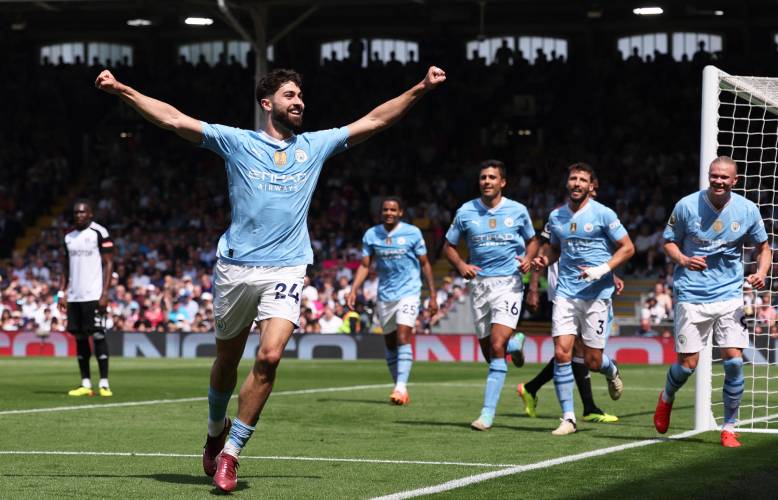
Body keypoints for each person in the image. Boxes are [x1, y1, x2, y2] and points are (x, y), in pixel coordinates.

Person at [96, 64, 446, 492]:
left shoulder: (315, 146)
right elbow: (173, 119)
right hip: (235, 268)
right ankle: (213, 431)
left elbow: (374, 120)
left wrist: (421, 89)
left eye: (300, 96)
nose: (299, 102)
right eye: (290, 95)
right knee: (226, 361)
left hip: (287, 267)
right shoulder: (236, 141)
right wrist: (121, 90)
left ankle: (232, 453)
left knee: (270, 357)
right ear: (268, 103)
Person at [653, 156, 771, 448]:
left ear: (735, 181)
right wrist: (683, 258)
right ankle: (666, 397)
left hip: (729, 295)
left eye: (724, 177)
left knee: (734, 362)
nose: (718, 181)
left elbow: (763, 247)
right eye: (714, 176)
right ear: (709, 176)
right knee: (687, 366)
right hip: (691, 295)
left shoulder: (746, 209)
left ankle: (728, 427)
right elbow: (668, 240)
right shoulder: (686, 206)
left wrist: (762, 272)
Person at [531, 162, 635, 435]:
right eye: (573, 178)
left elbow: (628, 248)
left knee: (591, 361)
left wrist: (602, 270)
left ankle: (611, 370)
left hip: (597, 295)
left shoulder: (603, 214)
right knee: (562, 352)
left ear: (591, 186)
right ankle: (568, 418)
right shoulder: (556, 217)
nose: (577, 183)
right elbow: (555, 249)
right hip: (566, 292)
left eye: (582, 180)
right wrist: (544, 259)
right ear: (568, 183)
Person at [443, 159, 538, 431]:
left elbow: (532, 240)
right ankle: (515, 344)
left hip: (508, 283)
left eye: (492, 177)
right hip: (480, 285)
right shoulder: (466, 211)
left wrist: (528, 260)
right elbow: (448, 246)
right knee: (490, 353)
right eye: (483, 177)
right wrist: (461, 265)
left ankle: (486, 414)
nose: (487, 181)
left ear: (502, 182)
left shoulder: (517, 211)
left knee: (496, 347)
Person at [347, 197, 439, 405]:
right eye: (385, 210)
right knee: (389, 343)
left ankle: (400, 387)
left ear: (400, 213)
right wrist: (353, 289)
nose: (388, 213)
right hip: (385, 295)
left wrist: (433, 294)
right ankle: (399, 385)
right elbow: (364, 265)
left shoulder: (413, 233)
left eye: (393, 210)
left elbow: (425, 264)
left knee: (403, 336)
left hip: (409, 291)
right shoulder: (372, 234)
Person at [58, 200, 115, 397]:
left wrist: (105, 293)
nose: (79, 215)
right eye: (76, 213)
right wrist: (61, 292)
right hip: (75, 295)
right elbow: (65, 267)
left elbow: (109, 264)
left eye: (83, 212)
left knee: (98, 336)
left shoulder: (100, 233)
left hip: (94, 294)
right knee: (80, 338)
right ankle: (85, 384)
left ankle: (104, 384)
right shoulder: (68, 237)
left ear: (90, 214)